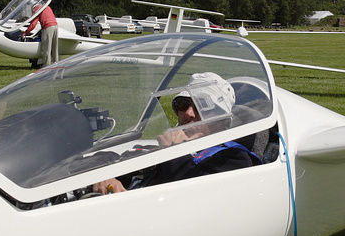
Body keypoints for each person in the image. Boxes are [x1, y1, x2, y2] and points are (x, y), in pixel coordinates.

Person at [93, 72, 257, 194]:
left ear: (222, 121)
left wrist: (176, 151)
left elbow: (198, 197)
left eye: (202, 107)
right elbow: (109, 159)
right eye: (183, 104)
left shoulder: (235, 160)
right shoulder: (162, 148)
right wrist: (105, 177)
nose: (188, 113)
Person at [22, 1, 59, 69]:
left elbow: (33, 24)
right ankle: (56, 64)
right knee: (54, 48)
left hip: (47, 27)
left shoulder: (38, 9)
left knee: (46, 48)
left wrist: (26, 32)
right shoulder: (47, 7)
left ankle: (47, 65)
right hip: (55, 26)